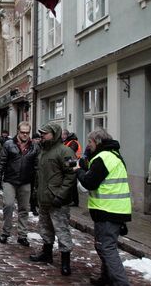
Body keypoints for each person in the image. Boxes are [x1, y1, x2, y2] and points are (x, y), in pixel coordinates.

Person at [76, 128, 132, 286]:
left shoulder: (103, 157)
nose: (88, 145)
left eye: (90, 142)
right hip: (116, 208)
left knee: (106, 247)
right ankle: (106, 278)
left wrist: (79, 171)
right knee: (104, 245)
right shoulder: (114, 155)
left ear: (97, 142)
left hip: (108, 210)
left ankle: (121, 283)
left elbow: (89, 183)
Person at [29, 122, 76, 276]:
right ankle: (46, 254)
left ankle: (65, 262)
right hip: (44, 198)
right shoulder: (43, 151)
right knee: (45, 228)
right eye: (41, 133)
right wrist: (36, 194)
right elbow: (39, 175)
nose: (41, 135)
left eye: (45, 133)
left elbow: (71, 175)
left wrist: (60, 195)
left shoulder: (66, 151)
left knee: (61, 230)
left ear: (54, 134)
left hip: (58, 200)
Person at [0, 121, 39, 247]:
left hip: (26, 181)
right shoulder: (9, 144)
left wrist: (36, 184)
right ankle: (5, 232)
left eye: (27, 132)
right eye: (22, 132)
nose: (25, 135)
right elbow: (1, 162)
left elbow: (37, 166)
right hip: (10, 180)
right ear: (18, 132)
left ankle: (22, 235)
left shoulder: (34, 147)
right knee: (8, 205)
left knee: (24, 209)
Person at [62, 129, 82, 207]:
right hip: (72, 164)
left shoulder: (73, 142)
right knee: (71, 183)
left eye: (63, 135)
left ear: (67, 135)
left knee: (72, 184)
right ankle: (71, 200)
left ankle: (74, 201)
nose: (62, 136)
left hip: (73, 164)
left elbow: (69, 153)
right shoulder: (68, 142)